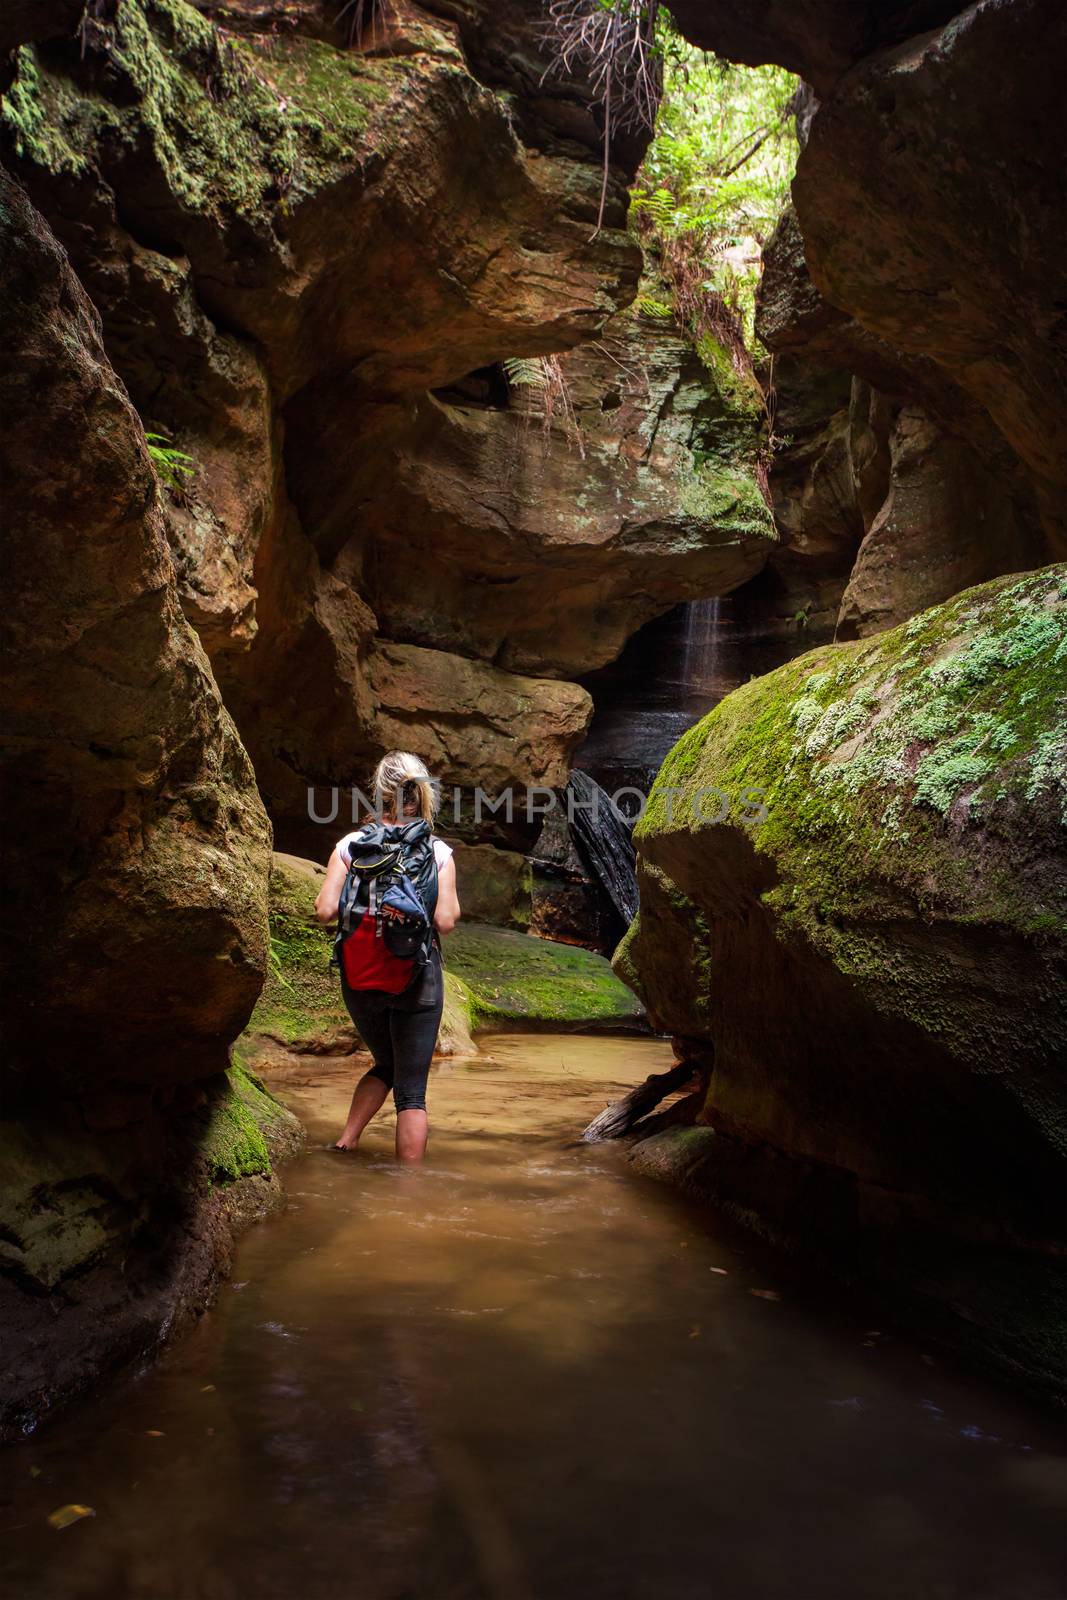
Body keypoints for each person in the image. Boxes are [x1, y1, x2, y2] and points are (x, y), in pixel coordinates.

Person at [314, 751, 461, 1161]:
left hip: (360, 978)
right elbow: (446, 921)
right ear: (425, 794)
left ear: (378, 795)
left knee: (385, 1061)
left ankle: (346, 1140)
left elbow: (325, 911)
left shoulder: (350, 846)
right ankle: (408, 1193)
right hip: (416, 978)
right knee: (411, 1093)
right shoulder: (438, 852)